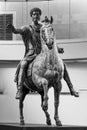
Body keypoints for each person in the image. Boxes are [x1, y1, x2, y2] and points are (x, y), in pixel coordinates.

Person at [7, 7, 79, 99]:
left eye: (37, 14)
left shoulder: (44, 27)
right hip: (32, 54)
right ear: (31, 16)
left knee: (62, 65)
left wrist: (58, 48)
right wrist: (13, 29)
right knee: (23, 64)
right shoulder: (27, 28)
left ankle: (71, 88)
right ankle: (19, 89)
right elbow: (18, 31)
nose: (36, 16)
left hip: (44, 53)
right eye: (34, 14)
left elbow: (50, 39)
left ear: (40, 16)